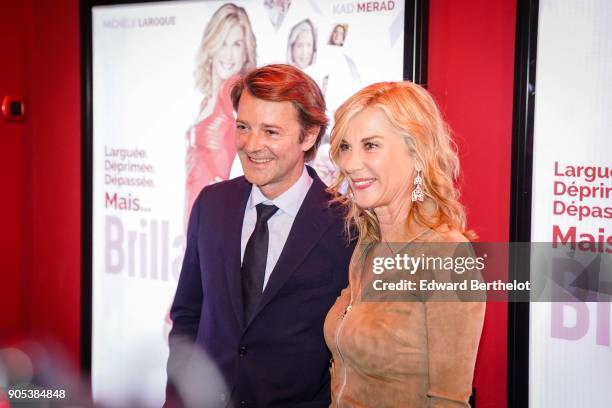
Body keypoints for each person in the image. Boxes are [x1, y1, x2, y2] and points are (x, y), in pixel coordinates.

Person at [165, 64, 355, 408]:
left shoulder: (345, 225)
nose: (252, 145)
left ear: (309, 136)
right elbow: (187, 316)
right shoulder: (211, 206)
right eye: (243, 127)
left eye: (270, 132)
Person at [323, 81, 486, 407]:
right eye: (345, 146)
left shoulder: (446, 254)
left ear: (416, 153)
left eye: (370, 146)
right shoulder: (367, 245)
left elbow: (448, 402)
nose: (351, 163)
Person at [185, 3, 257, 224]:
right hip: (196, 210)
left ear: (246, 51)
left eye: (237, 44)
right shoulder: (209, 98)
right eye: (223, 43)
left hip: (215, 217)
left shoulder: (233, 89)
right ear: (212, 45)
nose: (229, 54)